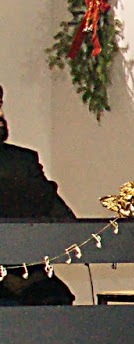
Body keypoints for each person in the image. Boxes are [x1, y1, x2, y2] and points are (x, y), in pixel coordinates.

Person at [0, 83, 77, 306]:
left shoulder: (22, 161)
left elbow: (62, 220)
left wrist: (32, 275)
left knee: (56, 298)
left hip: (30, 276)